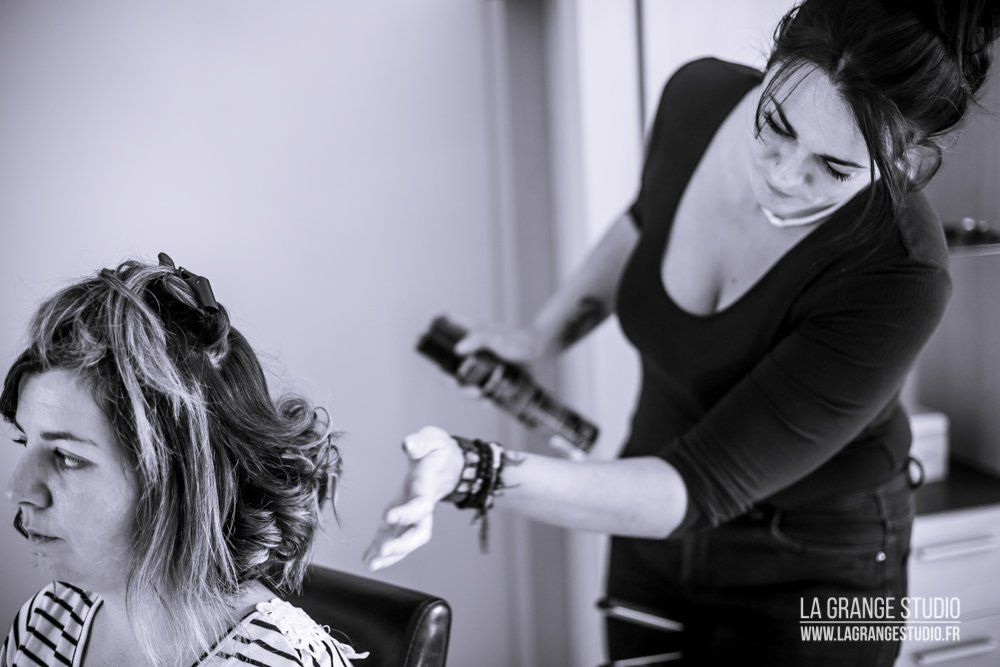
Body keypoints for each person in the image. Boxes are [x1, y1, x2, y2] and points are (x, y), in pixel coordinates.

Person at [365, 0, 1000, 664]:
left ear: (907, 163)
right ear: (770, 67)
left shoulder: (903, 272)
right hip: (650, 529)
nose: (782, 175)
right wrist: (541, 336)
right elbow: (647, 218)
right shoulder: (697, 97)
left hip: (828, 567)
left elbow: (695, 486)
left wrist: (472, 469)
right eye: (774, 125)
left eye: (833, 168)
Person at [1, 255, 366, 666]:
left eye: (67, 457)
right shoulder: (47, 618)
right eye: (24, 440)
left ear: (183, 481)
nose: (18, 489)